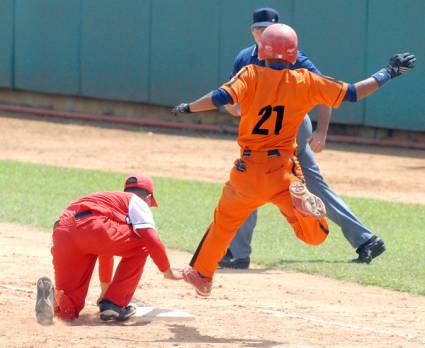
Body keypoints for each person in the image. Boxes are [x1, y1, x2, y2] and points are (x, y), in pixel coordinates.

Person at [172, 23, 415, 296]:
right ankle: (307, 212)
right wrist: (389, 72)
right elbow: (353, 92)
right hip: (283, 172)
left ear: (261, 51)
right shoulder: (305, 80)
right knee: (315, 236)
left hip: (247, 170)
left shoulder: (250, 73)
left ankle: (202, 274)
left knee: (224, 222)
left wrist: (188, 107)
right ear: (293, 53)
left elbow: (219, 97)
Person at [219, 7, 386, 269]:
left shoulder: (292, 54)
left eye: (269, 28)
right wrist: (236, 108)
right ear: (253, 31)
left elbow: (327, 91)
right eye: (260, 28)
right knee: (312, 186)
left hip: (292, 130)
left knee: (249, 181)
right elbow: (230, 98)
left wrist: (321, 131)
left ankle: (238, 253)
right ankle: (366, 240)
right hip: (268, 134)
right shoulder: (244, 57)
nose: (265, 32)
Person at [35, 174, 182, 325]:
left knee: (67, 311)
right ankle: (115, 303)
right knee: (143, 243)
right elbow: (151, 240)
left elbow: (105, 249)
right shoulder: (137, 202)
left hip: (63, 231)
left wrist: (105, 290)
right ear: (149, 197)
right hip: (93, 226)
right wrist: (168, 271)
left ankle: (52, 299)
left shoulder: (110, 200)